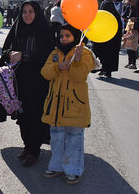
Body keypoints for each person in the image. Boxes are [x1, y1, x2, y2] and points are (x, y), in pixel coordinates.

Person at [0, 1, 54, 167]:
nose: (27, 15)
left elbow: (47, 54)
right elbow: (6, 49)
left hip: (38, 81)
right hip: (18, 80)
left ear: (37, 13)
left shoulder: (44, 30)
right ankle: (27, 145)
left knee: (35, 114)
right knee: (22, 114)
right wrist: (11, 54)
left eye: (31, 11)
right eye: (24, 12)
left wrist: (24, 56)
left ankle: (34, 150)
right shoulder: (18, 29)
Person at [41, 24, 94, 185]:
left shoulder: (85, 53)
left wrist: (76, 61)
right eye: (62, 36)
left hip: (74, 106)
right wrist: (58, 67)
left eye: (67, 36)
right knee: (56, 137)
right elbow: (45, 72)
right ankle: (56, 165)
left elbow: (79, 76)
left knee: (74, 138)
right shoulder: (55, 53)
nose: (64, 39)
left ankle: (73, 169)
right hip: (56, 105)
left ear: (75, 37)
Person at [92, 1, 122, 78]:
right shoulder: (116, 15)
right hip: (112, 42)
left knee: (101, 55)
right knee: (110, 56)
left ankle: (102, 69)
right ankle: (107, 71)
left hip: (102, 40)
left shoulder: (102, 15)